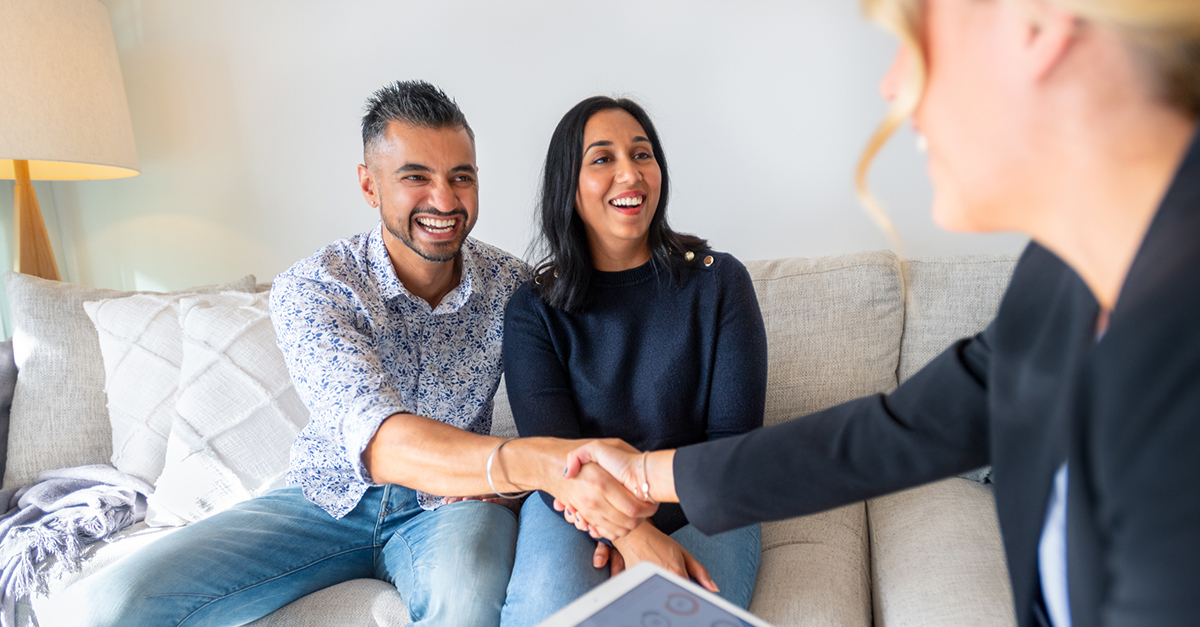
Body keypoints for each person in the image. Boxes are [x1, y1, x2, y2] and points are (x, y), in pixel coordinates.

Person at [560, 1, 1200, 626]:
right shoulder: (1060, 275)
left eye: (915, 33)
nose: (893, 84)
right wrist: (643, 473)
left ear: (1037, 26)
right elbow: (901, 432)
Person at [47, 81, 653, 627]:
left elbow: (575, 393)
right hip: (325, 500)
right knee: (112, 603)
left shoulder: (513, 286)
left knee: (467, 602)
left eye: (461, 176)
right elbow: (381, 441)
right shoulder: (316, 287)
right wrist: (536, 464)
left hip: (455, 505)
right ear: (369, 183)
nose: (444, 199)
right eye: (416, 176)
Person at [498, 96, 765, 625]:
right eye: (602, 159)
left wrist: (643, 526)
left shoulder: (720, 283)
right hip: (572, 507)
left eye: (642, 155)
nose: (630, 174)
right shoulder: (533, 309)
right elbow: (555, 457)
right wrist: (630, 534)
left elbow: (730, 450)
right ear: (567, 188)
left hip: (707, 503)